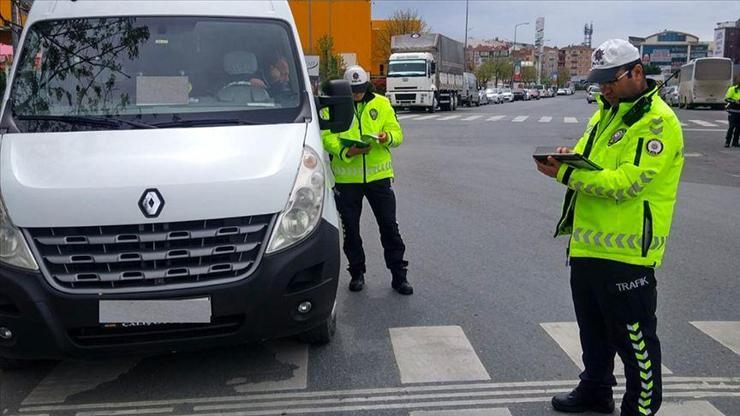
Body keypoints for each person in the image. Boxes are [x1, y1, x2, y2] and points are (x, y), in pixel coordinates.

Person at [535, 39, 684, 416]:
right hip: (588, 245)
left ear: (637, 72)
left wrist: (565, 172)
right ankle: (596, 389)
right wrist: (569, 158)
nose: (604, 88)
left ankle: (642, 407)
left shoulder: (657, 123)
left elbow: (626, 183)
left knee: (634, 339)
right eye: (599, 81)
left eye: (610, 80)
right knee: (593, 331)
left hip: (628, 250)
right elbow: (591, 162)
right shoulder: (606, 114)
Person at [320, 65, 413, 295]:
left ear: (367, 86)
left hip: (378, 177)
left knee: (389, 227)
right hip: (346, 179)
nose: (356, 94)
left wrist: (386, 137)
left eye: (360, 89)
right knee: (351, 230)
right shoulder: (333, 105)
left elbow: (397, 134)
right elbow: (326, 137)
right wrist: (347, 152)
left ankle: (399, 275)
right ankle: (357, 273)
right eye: (352, 90)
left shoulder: (381, 103)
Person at [724, 75, 740, 148]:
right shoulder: (732, 89)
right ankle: (727, 142)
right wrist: (734, 101)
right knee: (732, 126)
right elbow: (726, 99)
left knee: (739, 128)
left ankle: (735, 142)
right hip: (733, 111)